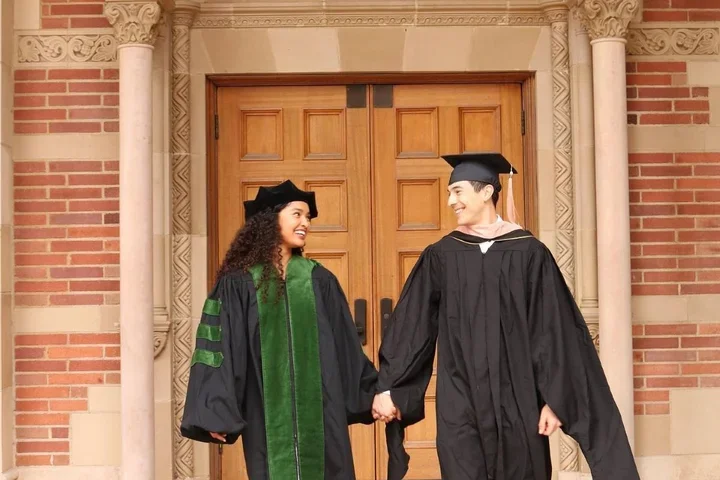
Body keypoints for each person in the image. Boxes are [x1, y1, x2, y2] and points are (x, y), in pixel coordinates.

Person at [372, 153, 640, 480]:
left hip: (519, 402)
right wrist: (390, 387)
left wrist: (555, 400)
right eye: (449, 193)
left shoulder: (529, 253)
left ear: (486, 192)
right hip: (461, 403)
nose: (450, 201)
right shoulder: (442, 255)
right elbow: (413, 326)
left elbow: (554, 333)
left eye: (457, 191)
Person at [181, 180, 378, 479]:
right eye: (297, 214)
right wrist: (215, 411)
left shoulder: (320, 281)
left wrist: (374, 395)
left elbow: (346, 348)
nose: (305, 223)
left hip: (322, 415)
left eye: (308, 217)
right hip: (265, 413)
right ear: (270, 221)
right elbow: (218, 350)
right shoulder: (238, 285)